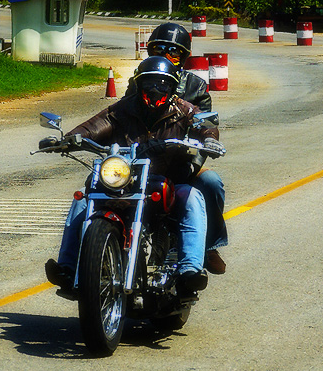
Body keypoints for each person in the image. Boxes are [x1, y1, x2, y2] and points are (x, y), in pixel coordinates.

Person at [42, 56, 224, 296]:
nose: (155, 89)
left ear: (172, 87)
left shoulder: (184, 110)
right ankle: (67, 268)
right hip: (125, 179)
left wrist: (209, 138)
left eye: (162, 84)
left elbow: (204, 125)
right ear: (139, 84)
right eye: (149, 83)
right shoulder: (122, 109)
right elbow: (93, 126)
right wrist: (67, 140)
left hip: (168, 178)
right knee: (83, 200)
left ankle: (189, 270)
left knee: (192, 198)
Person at [124, 22, 228, 274]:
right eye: (159, 49)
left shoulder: (195, 86)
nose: (166, 55)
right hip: (144, 159)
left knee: (212, 182)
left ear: (183, 57)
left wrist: (195, 159)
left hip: (181, 159)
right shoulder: (138, 82)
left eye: (173, 51)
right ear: (150, 51)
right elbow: (122, 116)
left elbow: (205, 125)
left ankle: (208, 246)